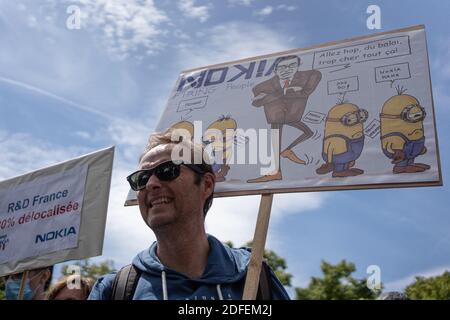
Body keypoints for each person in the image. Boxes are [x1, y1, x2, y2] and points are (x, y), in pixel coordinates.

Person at [89, 130, 290, 300]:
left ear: (207, 185)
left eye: (167, 170)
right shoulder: (113, 290)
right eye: (141, 178)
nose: (151, 184)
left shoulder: (255, 277)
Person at [247, 55, 322, 183]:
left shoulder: (310, 75)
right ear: (275, 70)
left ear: (298, 66)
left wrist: (271, 95)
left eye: (292, 66)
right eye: (282, 67)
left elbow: (306, 92)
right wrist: (287, 91)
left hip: (293, 115)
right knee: (275, 142)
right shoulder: (262, 85)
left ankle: (287, 151)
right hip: (276, 117)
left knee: (308, 132)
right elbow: (256, 102)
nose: (287, 69)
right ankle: (275, 172)